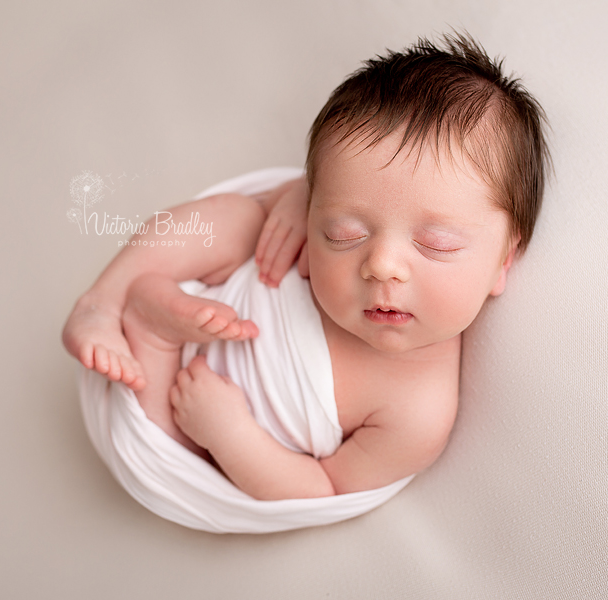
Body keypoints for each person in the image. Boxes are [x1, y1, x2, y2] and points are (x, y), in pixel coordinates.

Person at [62, 32, 549, 502]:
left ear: (503, 260)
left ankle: (153, 331)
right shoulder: (310, 217)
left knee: (170, 449)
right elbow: (304, 197)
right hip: (229, 289)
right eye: (346, 234)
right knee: (234, 219)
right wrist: (295, 201)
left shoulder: (419, 412)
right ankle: (103, 301)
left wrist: (229, 432)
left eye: (435, 244)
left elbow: (321, 486)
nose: (380, 265)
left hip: (195, 416)